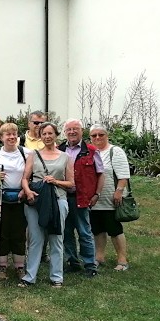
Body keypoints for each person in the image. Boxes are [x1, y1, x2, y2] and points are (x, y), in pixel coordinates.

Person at [19, 122, 74, 287]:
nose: (47, 137)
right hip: (36, 201)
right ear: (40, 136)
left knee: (56, 237)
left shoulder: (65, 157)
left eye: (50, 133)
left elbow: (71, 183)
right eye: (44, 134)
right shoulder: (33, 155)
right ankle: (30, 276)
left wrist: (55, 181)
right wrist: (28, 191)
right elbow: (24, 178)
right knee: (35, 238)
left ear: (56, 135)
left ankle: (56, 277)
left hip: (58, 201)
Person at [60, 119, 105, 277]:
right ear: (64, 132)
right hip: (63, 197)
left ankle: (90, 265)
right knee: (66, 232)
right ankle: (72, 261)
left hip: (82, 198)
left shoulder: (91, 151)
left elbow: (101, 174)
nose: (72, 132)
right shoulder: (59, 150)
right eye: (69, 129)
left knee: (84, 232)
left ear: (81, 131)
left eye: (75, 129)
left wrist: (97, 194)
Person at [88, 124, 131, 271]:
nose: (97, 138)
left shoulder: (115, 151)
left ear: (107, 135)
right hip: (94, 200)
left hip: (111, 198)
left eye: (101, 134)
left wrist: (119, 191)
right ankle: (99, 257)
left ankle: (122, 259)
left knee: (114, 229)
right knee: (97, 229)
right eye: (94, 135)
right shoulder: (90, 152)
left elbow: (124, 175)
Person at [0, 123, 30, 280]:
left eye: (14, 134)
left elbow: (30, 175)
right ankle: (2, 267)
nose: (12, 137)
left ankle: (20, 267)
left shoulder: (26, 153)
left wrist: (24, 190)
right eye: (8, 134)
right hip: (1, 198)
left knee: (19, 232)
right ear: (1, 137)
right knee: (2, 232)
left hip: (21, 198)